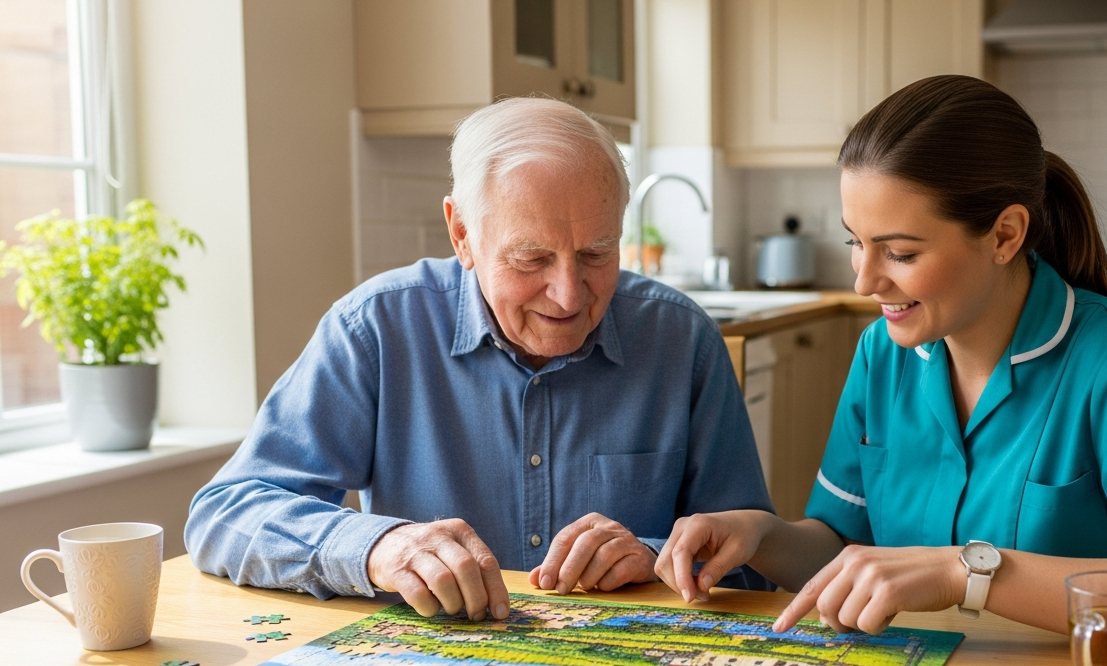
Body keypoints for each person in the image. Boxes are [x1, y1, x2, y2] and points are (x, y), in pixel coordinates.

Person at [655, 75, 1107, 657]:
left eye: (899, 252)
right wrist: (760, 535)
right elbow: (845, 547)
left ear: (1005, 236)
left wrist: (967, 571)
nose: (866, 279)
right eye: (854, 242)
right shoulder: (882, 353)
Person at [187, 97, 772, 620]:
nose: (569, 294)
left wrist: (652, 555)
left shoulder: (682, 339)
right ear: (461, 234)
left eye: (596, 253)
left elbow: (753, 558)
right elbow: (223, 515)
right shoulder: (377, 329)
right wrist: (378, 548)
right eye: (530, 259)